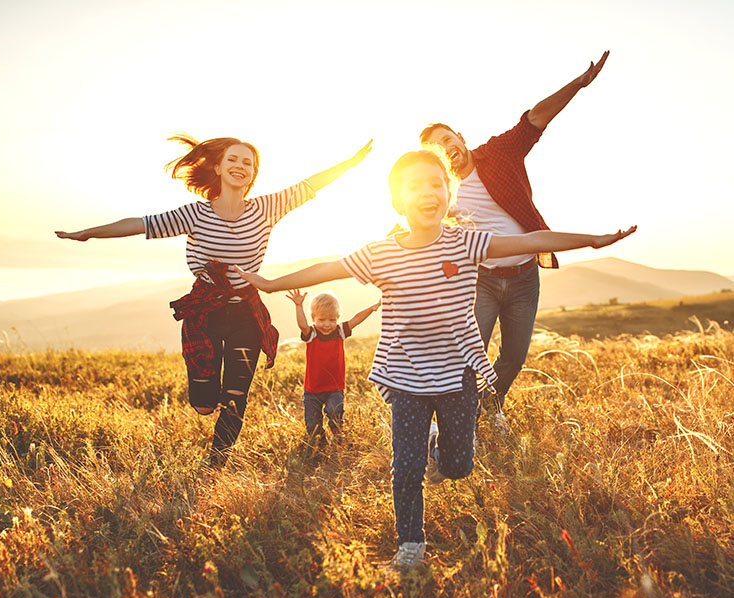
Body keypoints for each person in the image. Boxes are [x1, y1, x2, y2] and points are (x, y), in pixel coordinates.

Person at [234, 149, 636, 569]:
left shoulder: (466, 242)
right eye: (415, 185)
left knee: (459, 466)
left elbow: (531, 241)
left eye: (436, 183)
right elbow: (326, 270)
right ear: (397, 201)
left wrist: (592, 239)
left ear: (449, 193)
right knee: (405, 468)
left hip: (459, 373)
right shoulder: (381, 253)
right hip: (406, 375)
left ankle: (437, 449)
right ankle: (410, 547)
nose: (427, 191)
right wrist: (270, 282)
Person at [55, 134, 372, 466]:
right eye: (232, 160)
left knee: (237, 395)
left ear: (253, 174)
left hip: (246, 314)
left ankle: (215, 463)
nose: (240, 166)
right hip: (206, 312)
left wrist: (350, 164)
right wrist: (88, 232)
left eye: (247, 163)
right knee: (204, 403)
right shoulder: (195, 214)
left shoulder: (267, 209)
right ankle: (207, 397)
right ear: (219, 167)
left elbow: (310, 185)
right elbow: (139, 224)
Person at [419, 51, 610, 431]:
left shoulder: (499, 152)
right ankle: (461, 422)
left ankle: (489, 407)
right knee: (469, 355)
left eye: (446, 139)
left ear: (459, 135)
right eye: (436, 150)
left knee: (514, 357)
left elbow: (534, 120)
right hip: (482, 281)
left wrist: (577, 84)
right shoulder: (444, 193)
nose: (445, 148)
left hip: (524, 278)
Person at [286, 289, 380, 442]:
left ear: (337, 318)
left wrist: (372, 308)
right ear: (314, 318)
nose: (327, 325)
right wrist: (298, 306)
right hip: (312, 389)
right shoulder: (312, 334)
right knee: (312, 425)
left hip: (335, 387)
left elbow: (356, 319)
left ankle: (337, 435)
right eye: (321, 320)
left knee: (335, 411)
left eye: (331, 320)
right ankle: (319, 446)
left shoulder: (340, 331)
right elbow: (302, 325)